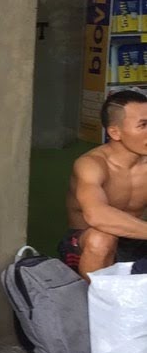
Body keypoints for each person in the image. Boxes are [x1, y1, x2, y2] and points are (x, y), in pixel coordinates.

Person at [61, 89, 147, 277]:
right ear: (115, 132)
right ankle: (94, 296)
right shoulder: (91, 164)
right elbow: (97, 216)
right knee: (101, 238)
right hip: (87, 244)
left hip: (136, 239)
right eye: (143, 125)